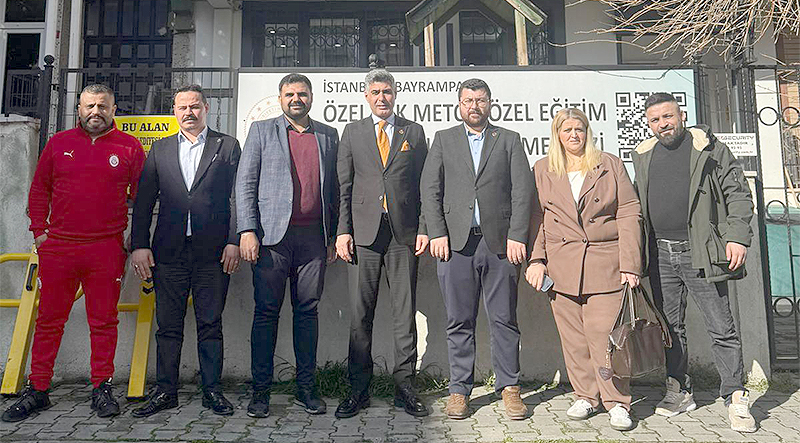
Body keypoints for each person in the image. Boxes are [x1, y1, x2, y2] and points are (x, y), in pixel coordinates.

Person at [2, 84, 146, 423]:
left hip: (105, 248)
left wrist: (134, 238)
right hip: (59, 248)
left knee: (104, 321)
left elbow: (142, 197)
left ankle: (102, 387)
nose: (96, 112)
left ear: (113, 110)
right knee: (49, 321)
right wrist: (40, 232)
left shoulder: (129, 147)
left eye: (102, 106)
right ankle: (38, 389)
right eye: (89, 106)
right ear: (78, 109)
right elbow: (39, 189)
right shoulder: (58, 143)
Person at [631, 93, 756, 432]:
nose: (663, 124)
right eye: (655, 120)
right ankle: (679, 389)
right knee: (670, 329)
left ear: (681, 115)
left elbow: (738, 194)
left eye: (668, 116)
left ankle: (735, 396)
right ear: (649, 124)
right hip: (659, 253)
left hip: (700, 251)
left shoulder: (710, 149)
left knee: (721, 327)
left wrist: (737, 237)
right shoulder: (643, 155)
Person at [421, 78, 533, 420]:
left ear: (490, 103)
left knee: (504, 319)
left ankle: (510, 387)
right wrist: (437, 233)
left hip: (499, 244)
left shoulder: (509, 140)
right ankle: (459, 390)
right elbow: (430, 190)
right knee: (459, 320)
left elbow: (522, 191)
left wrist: (517, 235)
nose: (474, 106)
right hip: (455, 245)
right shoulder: (444, 139)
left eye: (480, 100)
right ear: (459, 105)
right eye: (468, 100)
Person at [525, 108, 642, 431]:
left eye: (579, 129)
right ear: (557, 135)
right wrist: (537, 260)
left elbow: (629, 212)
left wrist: (630, 263)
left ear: (588, 132)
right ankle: (586, 396)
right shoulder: (543, 169)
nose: (574, 135)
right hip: (561, 267)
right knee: (574, 340)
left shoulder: (609, 164)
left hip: (605, 263)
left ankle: (617, 401)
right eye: (567, 130)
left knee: (606, 338)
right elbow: (537, 218)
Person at [129, 85, 241, 417]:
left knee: (210, 323)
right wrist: (139, 245)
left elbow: (238, 196)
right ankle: (166, 391)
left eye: (194, 106)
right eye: (182, 107)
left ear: (206, 108)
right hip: (169, 252)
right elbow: (144, 200)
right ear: (174, 112)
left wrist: (234, 240)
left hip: (214, 252)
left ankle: (212, 391)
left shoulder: (227, 145)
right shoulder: (160, 149)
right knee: (168, 326)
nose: (188, 112)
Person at [236, 73, 340, 418]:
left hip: (313, 240)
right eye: (290, 94)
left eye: (302, 94)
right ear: (280, 99)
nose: (297, 99)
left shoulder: (327, 135)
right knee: (266, 313)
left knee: (307, 313)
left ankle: (306, 389)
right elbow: (245, 183)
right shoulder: (262, 131)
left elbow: (336, 190)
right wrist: (247, 230)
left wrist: (333, 235)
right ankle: (260, 392)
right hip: (271, 240)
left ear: (311, 97)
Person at [335, 69, 429, 419]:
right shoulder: (353, 132)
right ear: (366, 96)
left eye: (387, 91)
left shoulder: (413, 132)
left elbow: (424, 186)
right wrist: (343, 231)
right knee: (361, 316)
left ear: (395, 94)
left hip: (404, 236)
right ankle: (358, 391)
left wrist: (423, 228)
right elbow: (344, 187)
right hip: (364, 236)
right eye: (375, 92)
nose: (381, 97)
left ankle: (405, 389)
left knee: (404, 315)